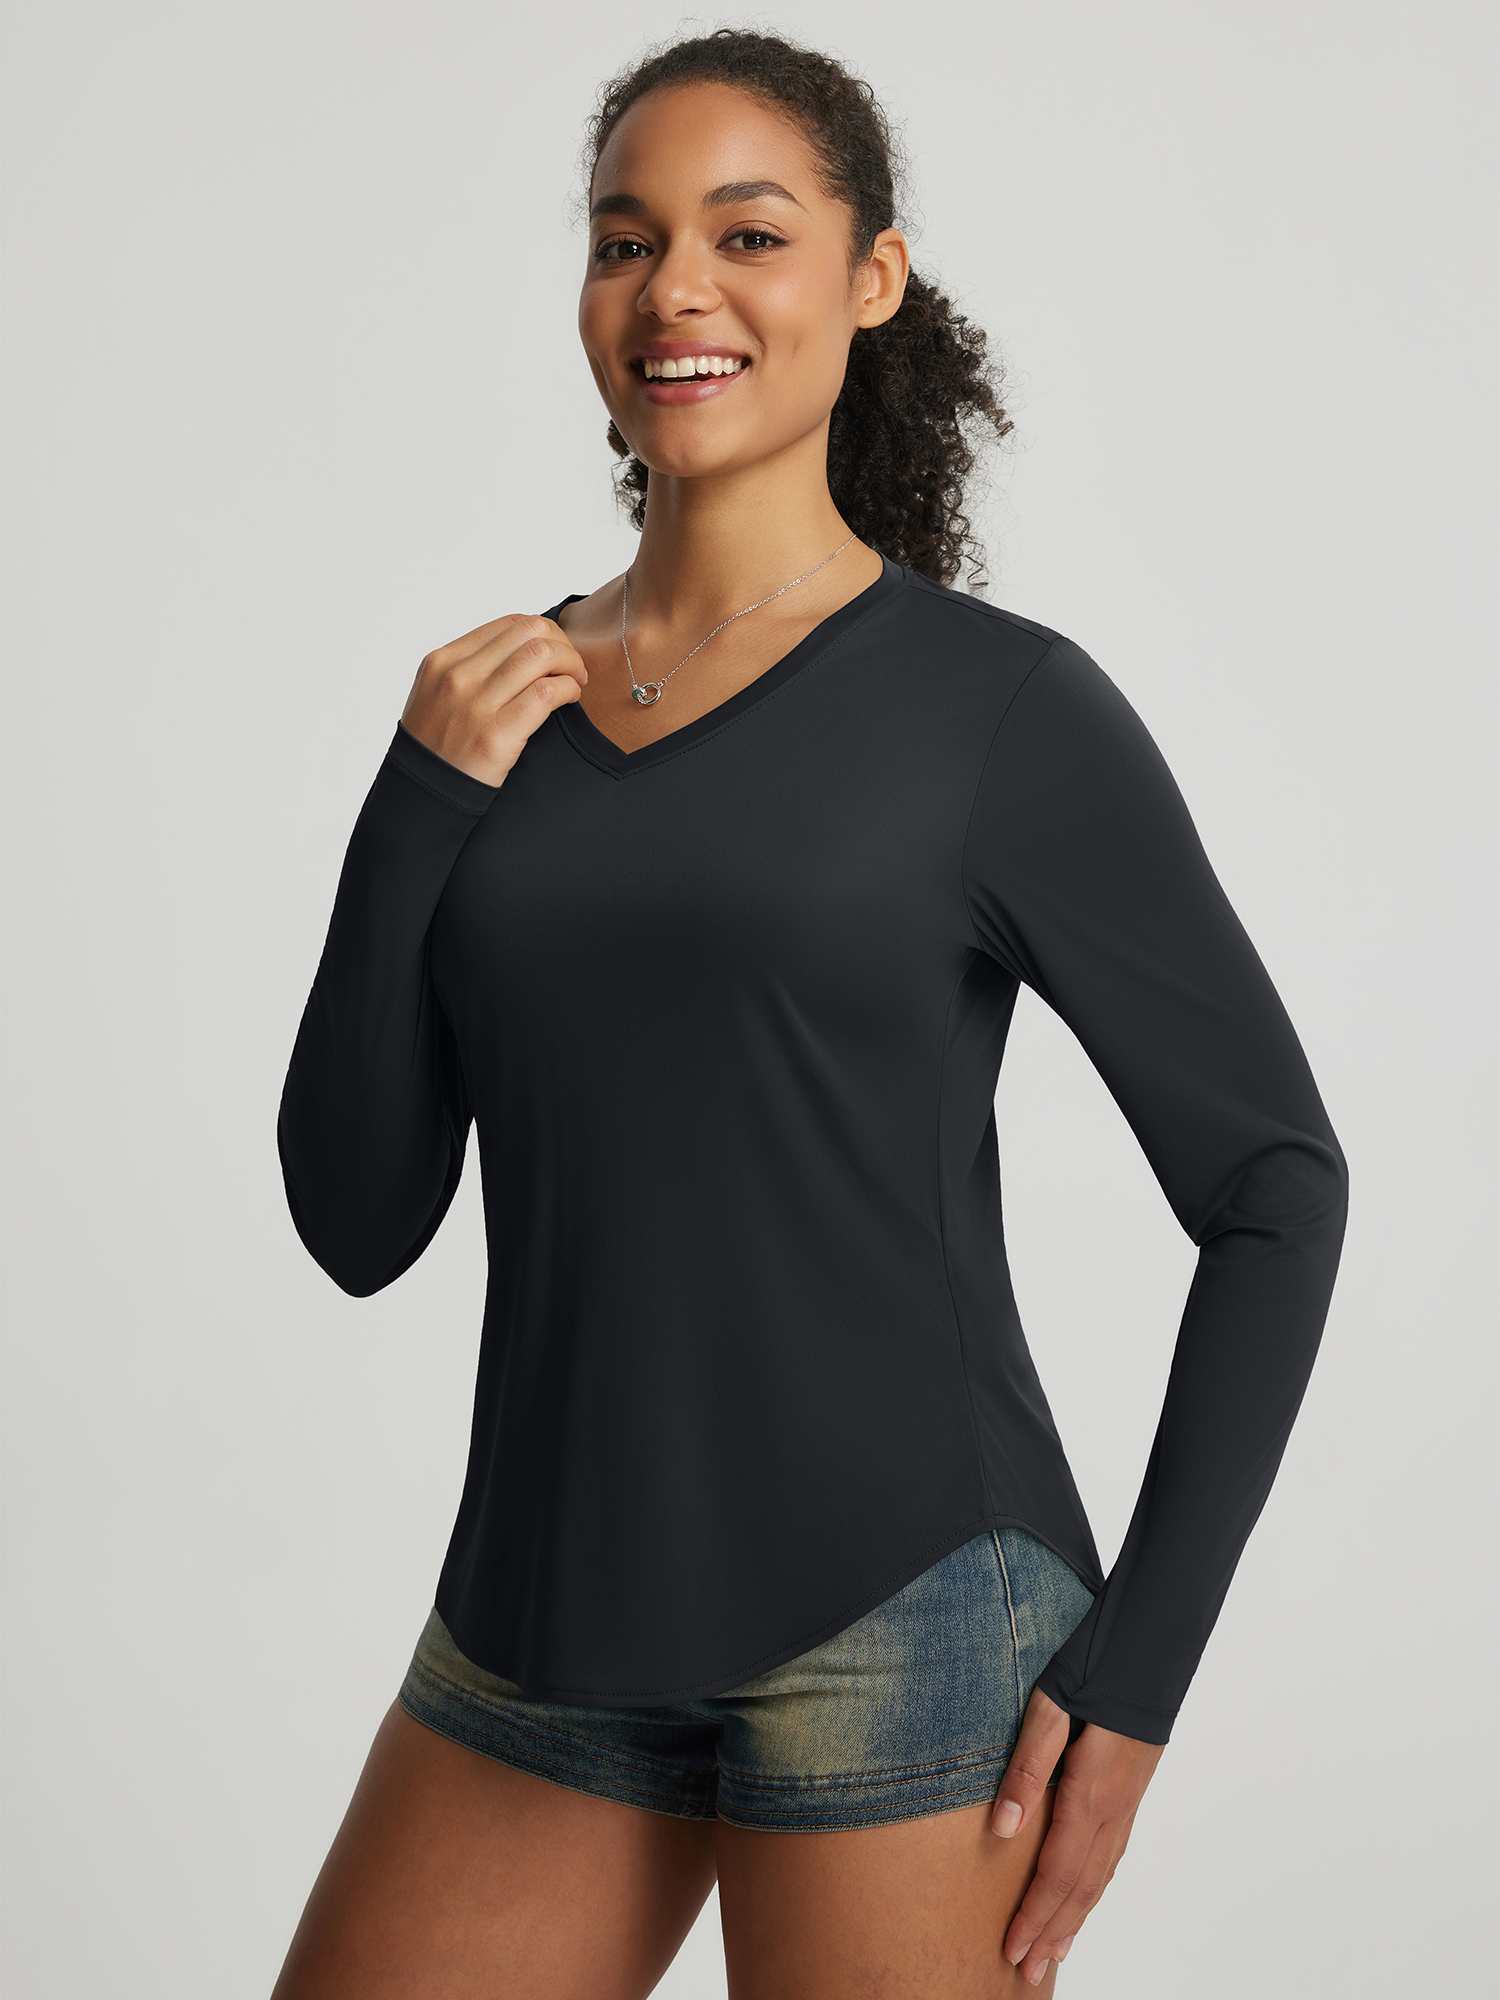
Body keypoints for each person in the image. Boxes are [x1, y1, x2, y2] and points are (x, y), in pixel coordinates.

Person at [269, 27, 1349, 1999]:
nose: (674, 289)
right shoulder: (491, 713)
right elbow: (356, 1219)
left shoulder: (997, 712)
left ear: (872, 279)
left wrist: (1139, 1676)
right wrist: (413, 805)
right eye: (626, 241)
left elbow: (1277, 1184)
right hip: (537, 1624)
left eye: (747, 235)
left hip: (906, 1626)